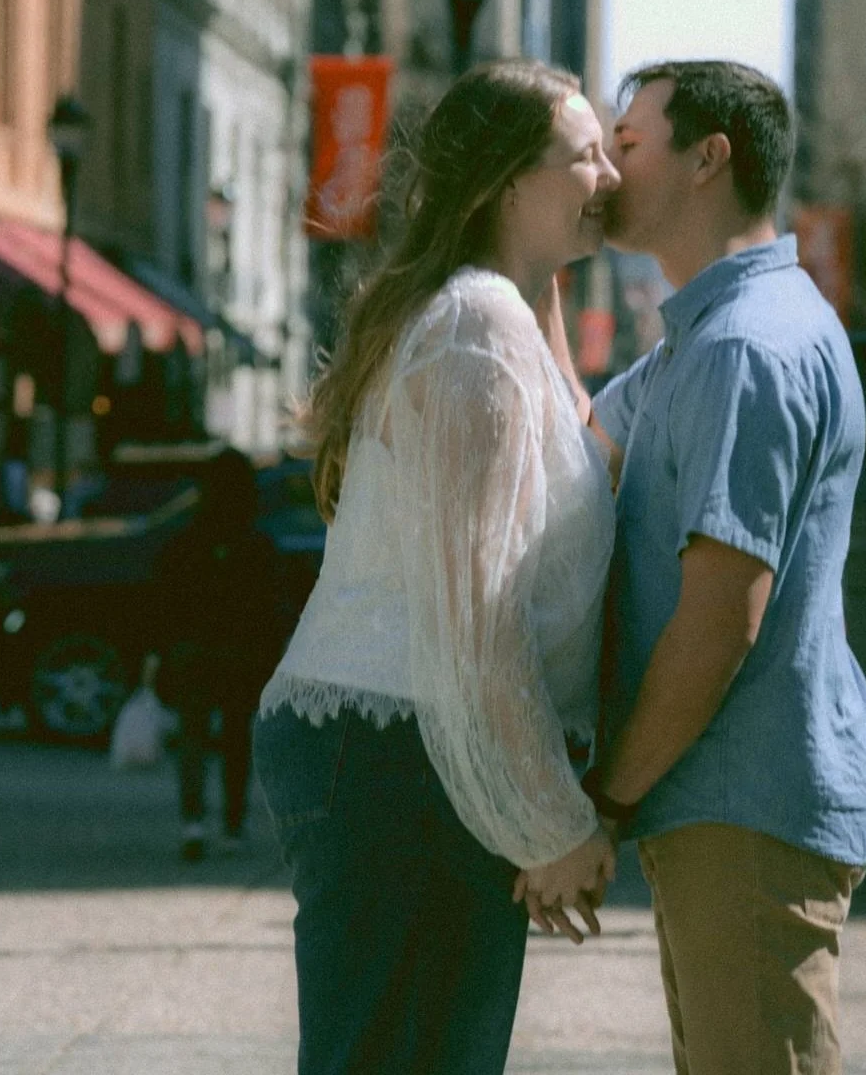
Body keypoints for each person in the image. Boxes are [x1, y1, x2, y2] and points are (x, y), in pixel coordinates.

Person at [252, 59, 621, 1075]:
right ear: (509, 182)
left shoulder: (505, 317)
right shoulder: (476, 329)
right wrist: (549, 821)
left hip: (417, 755)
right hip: (397, 758)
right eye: (586, 154)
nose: (611, 176)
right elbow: (477, 611)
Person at [542, 60, 866, 1075]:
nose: (606, 167)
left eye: (629, 143)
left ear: (708, 158)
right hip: (731, 803)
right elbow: (582, 437)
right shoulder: (715, 332)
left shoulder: (745, 348)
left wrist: (606, 799)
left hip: (746, 803)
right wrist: (543, 263)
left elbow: (720, 615)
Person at [154, 447, 279, 861]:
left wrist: (163, 649)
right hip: (240, 651)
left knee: (192, 735)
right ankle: (232, 822)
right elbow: (270, 607)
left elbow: (166, 603)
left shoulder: (186, 542)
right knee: (235, 737)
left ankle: (192, 820)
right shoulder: (256, 544)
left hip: (193, 649)